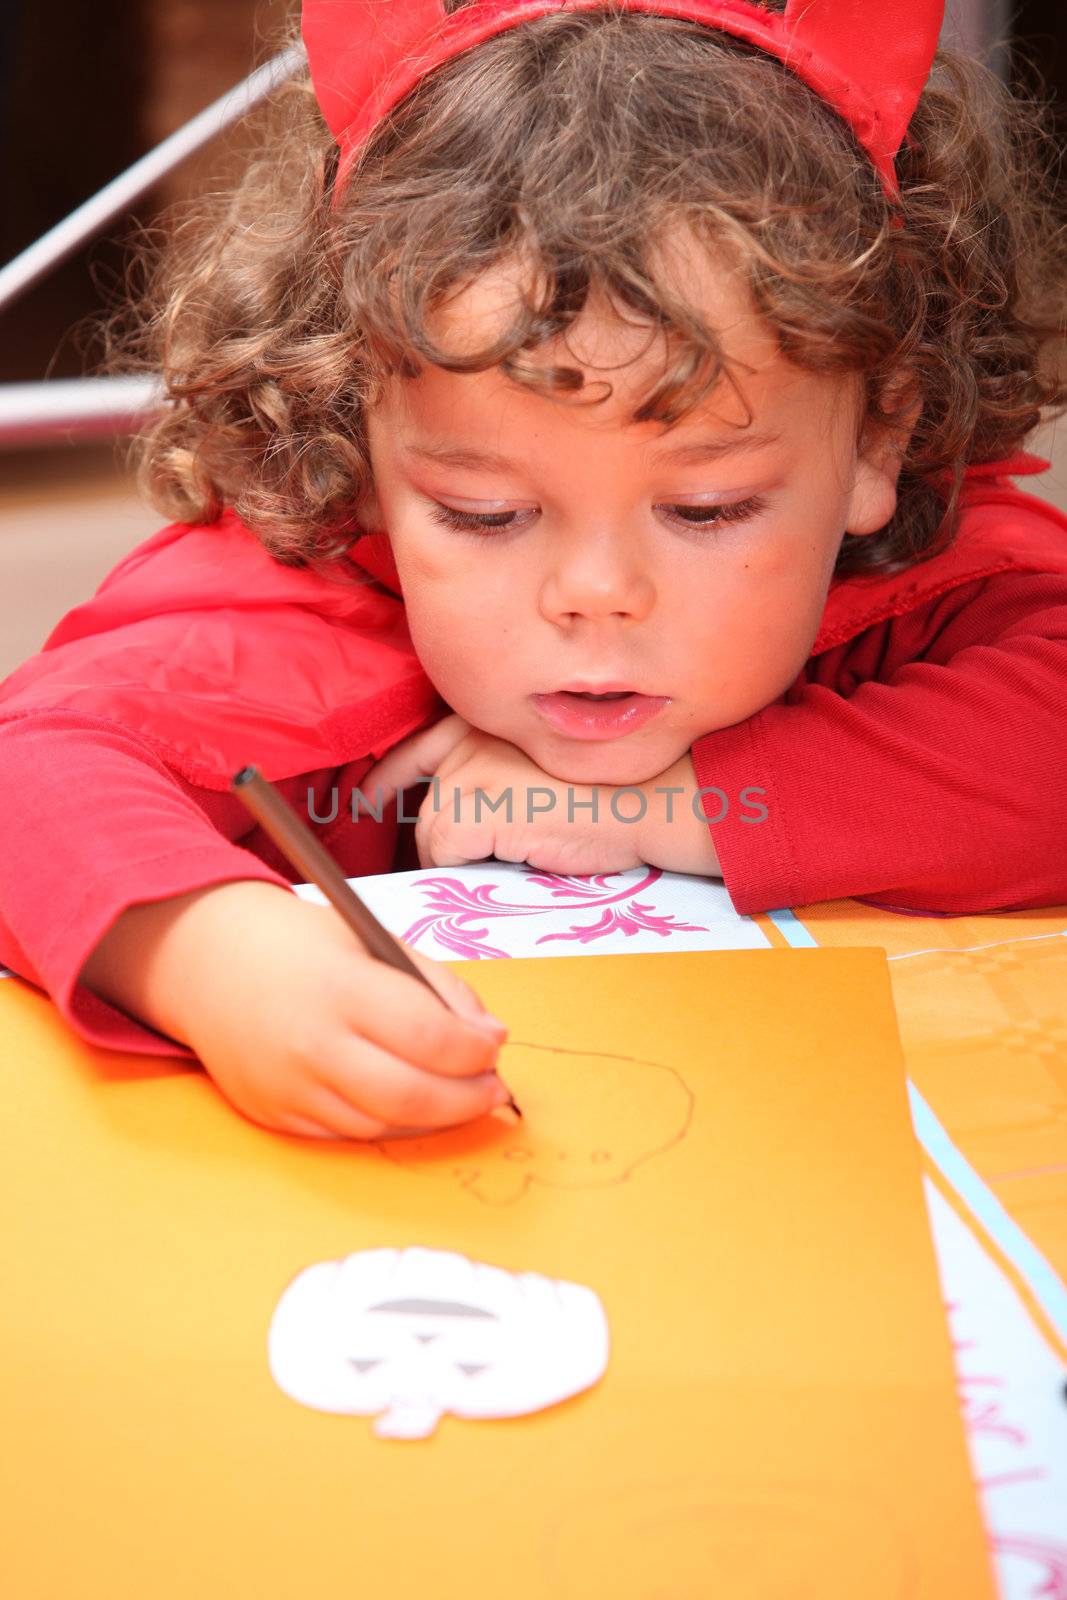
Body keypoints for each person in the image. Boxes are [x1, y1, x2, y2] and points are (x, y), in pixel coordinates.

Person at [0, 0, 1064, 1141]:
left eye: (707, 508)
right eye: (487, 513)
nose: (594, 591)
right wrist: (212, 956)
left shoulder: (928, 568)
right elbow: (33, 772)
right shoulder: (304, 587)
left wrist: (673, 806)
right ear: (354, 447)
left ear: (872, 443)